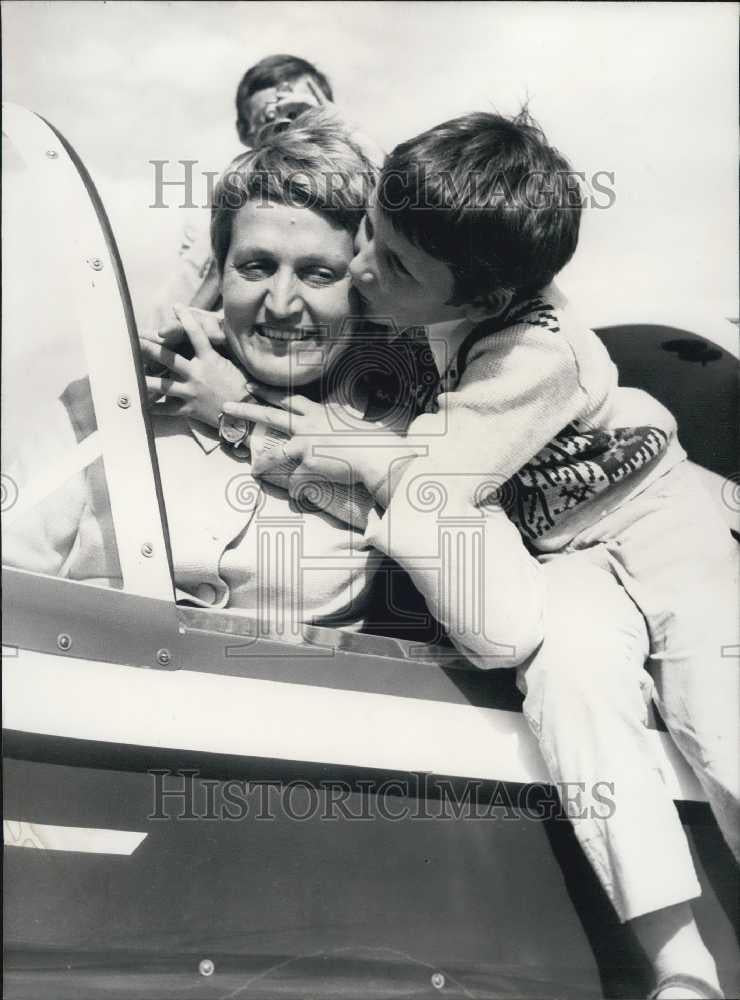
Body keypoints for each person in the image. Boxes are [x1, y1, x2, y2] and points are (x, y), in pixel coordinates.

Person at [224, 111, 738, 999]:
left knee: (718, 713)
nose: (362, 268)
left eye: (394, 266)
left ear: (485, 301)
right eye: (371, 234)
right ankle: (680, 964)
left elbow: (425, 484)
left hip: (660, 519)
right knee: (572, 689)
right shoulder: (429, 291)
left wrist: (266, 428)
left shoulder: (537, 350)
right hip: (566, 554)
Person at [5, 111, 413, 638]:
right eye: (256, 267)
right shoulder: (107, 404)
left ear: (368, 286)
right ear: (220, 273)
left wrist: (242, 422)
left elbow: (465, 577)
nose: (281, 303)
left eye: (319, 274)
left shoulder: (400, 438)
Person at [150, 54, 335, 325]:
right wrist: (219, 266)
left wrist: (340, 132)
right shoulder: (208, 223)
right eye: (271, 119)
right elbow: (169, 325)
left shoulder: (361, 195)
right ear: (244, 132)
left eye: (298, 114)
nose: (290, 130)